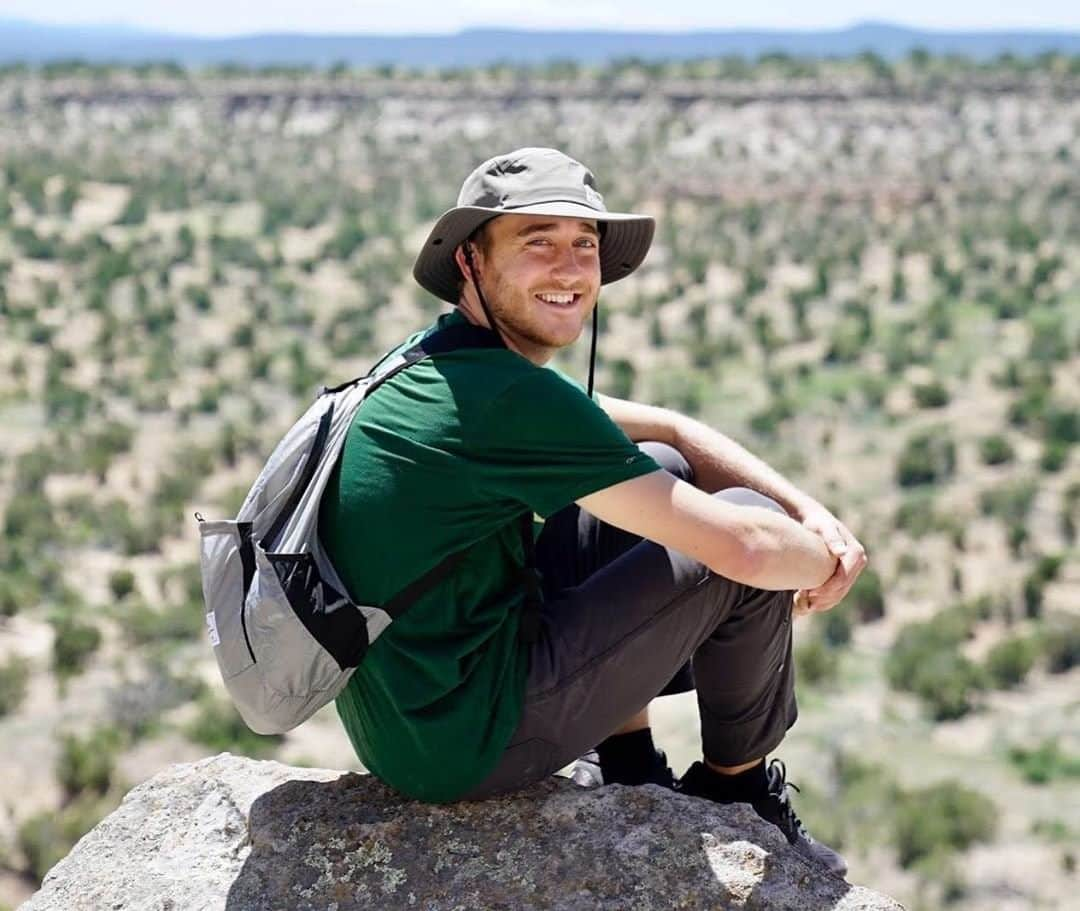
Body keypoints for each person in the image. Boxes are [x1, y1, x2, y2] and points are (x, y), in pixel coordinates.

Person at [318, 147, 867, 876]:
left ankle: (630, 764)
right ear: (472, 262)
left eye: (584, 245)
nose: (570, 268)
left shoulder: (438, 364)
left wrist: (809, 510)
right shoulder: (507, 399)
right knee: (740, 527)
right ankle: (737, 792)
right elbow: (748, 552)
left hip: (411, 716)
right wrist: (828, 557)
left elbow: (668, 429)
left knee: (664, 474)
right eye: (537, 241)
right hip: (462, 745)